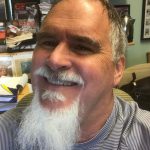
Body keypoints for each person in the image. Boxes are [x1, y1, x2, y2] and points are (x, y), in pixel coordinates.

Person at [0, 0, 150, 150]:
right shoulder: (5, 132)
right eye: (48, 42)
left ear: (117, 69)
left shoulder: (144, 135)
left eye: (81, 47)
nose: (55, 60)